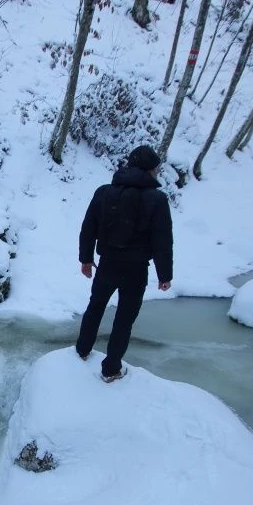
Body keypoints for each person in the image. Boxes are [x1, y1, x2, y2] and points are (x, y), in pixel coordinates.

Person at [75, 145, 174, 382]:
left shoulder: (104, 192)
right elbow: (162, 240)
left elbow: (88, 228)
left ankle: (82, 350)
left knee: (95, 306)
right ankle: (111, 370)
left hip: (107, 264)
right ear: (150, 170)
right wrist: (164, 275)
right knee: (124, 320)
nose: (158, 172)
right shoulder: (157, 199)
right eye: (157, 168)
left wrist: (86, 259)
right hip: (135, 270)